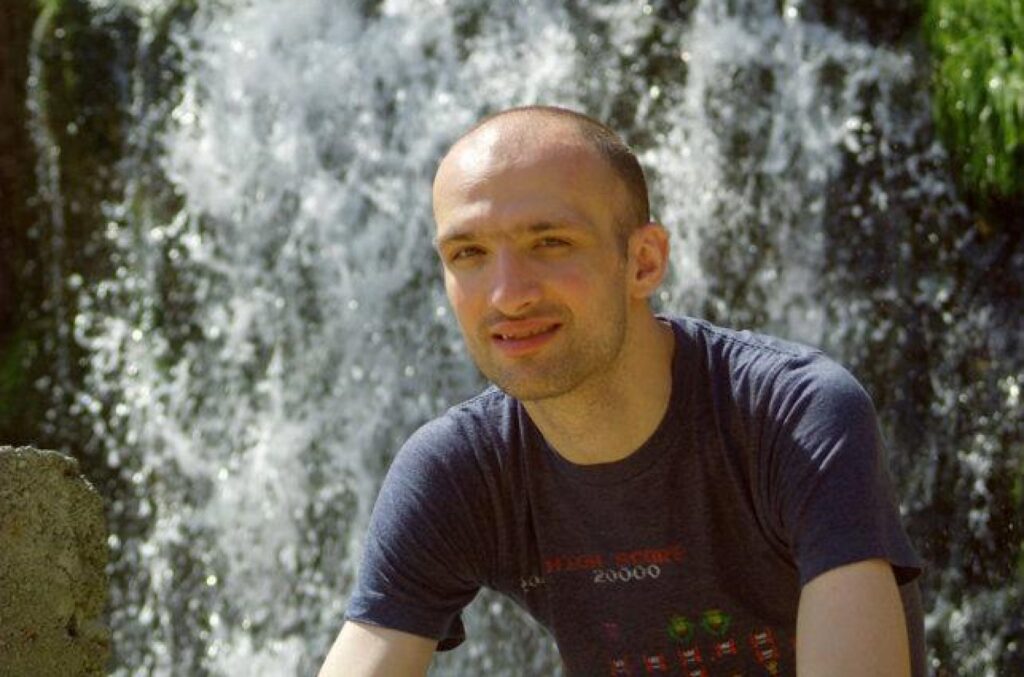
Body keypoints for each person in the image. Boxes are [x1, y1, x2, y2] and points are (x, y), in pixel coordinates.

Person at [318, 106, 924, 676]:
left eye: (550, 242)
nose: (507, 294)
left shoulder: (791, 414)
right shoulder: (457, 471)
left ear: (644, 261)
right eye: (468, 252)